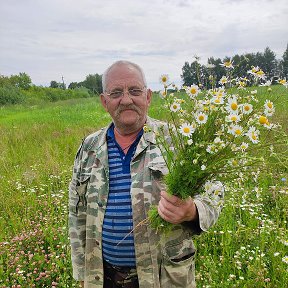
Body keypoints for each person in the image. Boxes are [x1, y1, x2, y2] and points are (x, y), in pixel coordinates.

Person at [69, 60, 224, 288]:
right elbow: (76, 214)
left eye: (134, 90)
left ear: (148, 96)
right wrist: (82, 274)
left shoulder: (180, 140)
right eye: (116, 93)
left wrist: (192, 210)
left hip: (164, 278)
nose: (126, 99)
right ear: (104, 101)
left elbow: (215, 191)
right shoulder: (89, 147)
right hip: (102, 278)